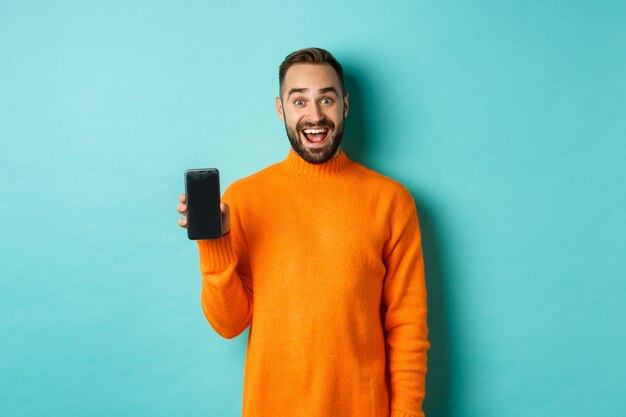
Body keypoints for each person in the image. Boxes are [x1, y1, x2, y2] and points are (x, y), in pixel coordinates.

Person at [176, 47, 430, 417]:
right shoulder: (244, 199)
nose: (315, 116)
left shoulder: (391, 201)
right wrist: (214, 245)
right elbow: (229, 325)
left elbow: (408, 326)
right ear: (281, 109)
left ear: (344, 104)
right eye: (299, 101)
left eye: (326, 99)